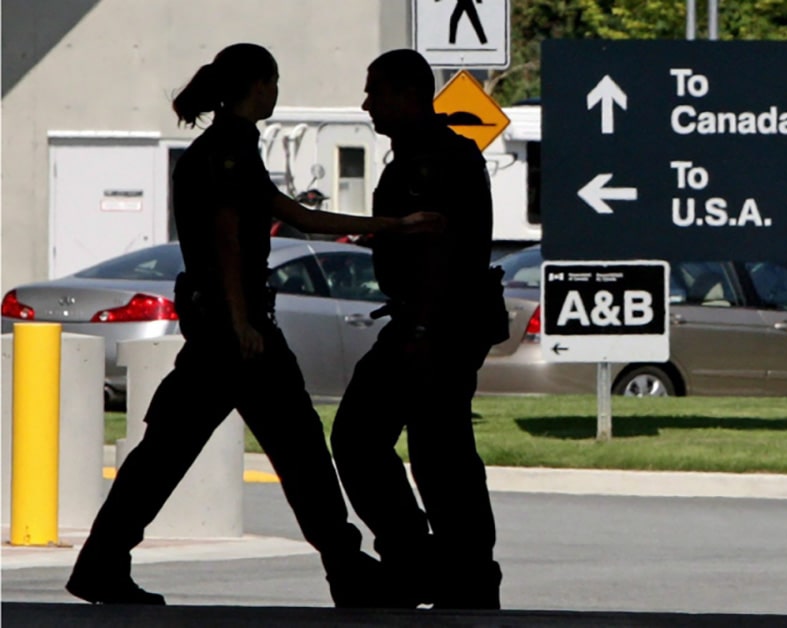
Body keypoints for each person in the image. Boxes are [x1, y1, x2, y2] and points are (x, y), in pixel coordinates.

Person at [65, 43, 439, 607]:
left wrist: (390, 225)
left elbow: (298, 216)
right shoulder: (229, 152)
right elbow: (227, 238)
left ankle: (102, 562)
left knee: (176, 452)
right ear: (258, 86)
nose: (277, 91)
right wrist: (242, 322)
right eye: (275, 81)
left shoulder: (221, 150)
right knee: (295, 451)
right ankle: (346, 570)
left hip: (223, 334)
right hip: (238, 337)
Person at [330, 49, 508, 610]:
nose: (366, 104)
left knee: (416, 448)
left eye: (375, 92)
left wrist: (423, 329)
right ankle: (441, 565)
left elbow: (441, 249)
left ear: (407, 95)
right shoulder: (418, 152)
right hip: (427, 321)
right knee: (426, 447)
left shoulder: (434, 159)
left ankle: (450, 567)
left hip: (437, 324)